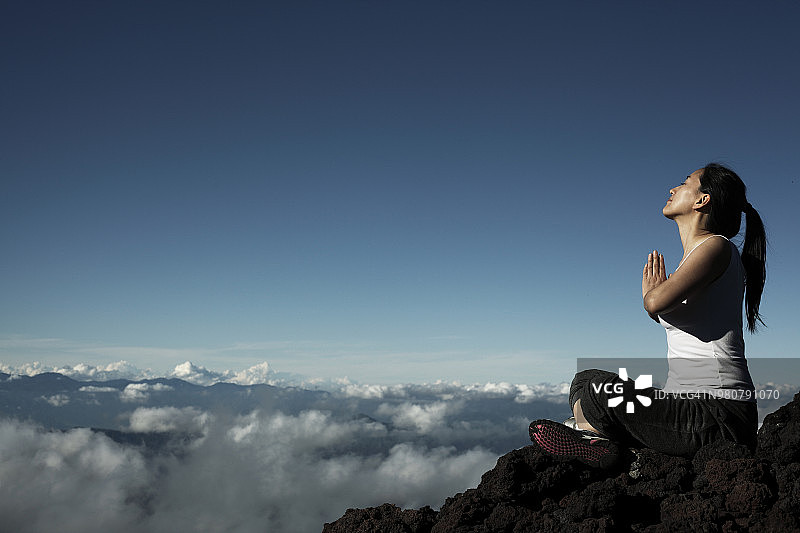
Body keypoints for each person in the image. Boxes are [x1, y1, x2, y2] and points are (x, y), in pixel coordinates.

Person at [529, 163, 767, 468]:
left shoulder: (716, 246)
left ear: (702, 200)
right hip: (690, 409)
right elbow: (687, 321)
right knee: (585, 380)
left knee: (597, 394)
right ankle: (597, 437)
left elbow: (655, 303)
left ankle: (596, 440)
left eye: (685, 183)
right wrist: (656, 301)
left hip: (717, 415)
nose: (673, 189)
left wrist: (652, 296)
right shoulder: (697, 258)